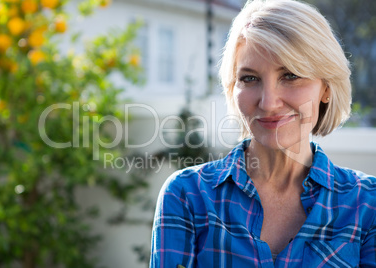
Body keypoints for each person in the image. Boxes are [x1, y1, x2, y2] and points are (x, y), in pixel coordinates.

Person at [149, 0, 376, 267]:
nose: (268, 102)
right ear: (232, 88)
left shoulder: (367, 204)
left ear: (326, 88)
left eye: (290, 75)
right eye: (249, 78)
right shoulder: (187, 195)